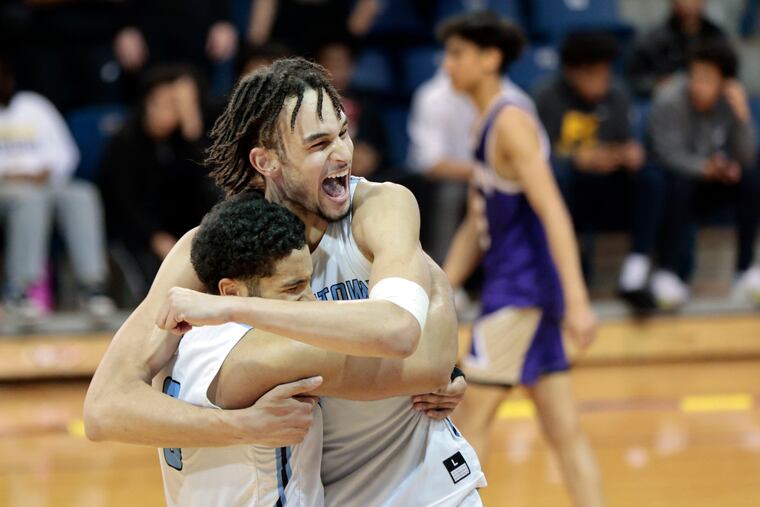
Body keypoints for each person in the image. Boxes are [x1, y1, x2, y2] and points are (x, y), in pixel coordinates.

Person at [84, 58, 475, 505]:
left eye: (344, 132)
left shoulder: (380, 207)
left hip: (421, 485)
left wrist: (235, 309)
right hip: (320, 493)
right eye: (319, 143)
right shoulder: (212, 249)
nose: (344, 153)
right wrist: (240, 427)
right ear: (265, 160)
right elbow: (105, 408)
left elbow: (401, 330)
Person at [157, 192, 483, 506]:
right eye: (294, 288)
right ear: (231, 293)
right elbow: (429, 362)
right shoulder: (276, 355)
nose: (310, 301)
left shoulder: (176, 344)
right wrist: (420, 263)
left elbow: (109, 412)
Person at [438, 12, 606, 507]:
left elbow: (553, 210)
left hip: (521, 295)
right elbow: (477, 218)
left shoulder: (510, 121)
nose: (448, 65)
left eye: (458, 54)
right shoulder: (484, 120)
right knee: (564, 431)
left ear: (490, 59)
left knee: (467, 425)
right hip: (522, 292)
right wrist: (443, 282)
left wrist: (578, 301)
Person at [534, 31, 662, 309]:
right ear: (572, 72)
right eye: (594, 73)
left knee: (650, 177)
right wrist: (575, 159)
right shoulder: (545, 97)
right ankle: (561, 269)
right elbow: (535, 157)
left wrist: (629, 154)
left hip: (609, 188)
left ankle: (636, 270)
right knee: (558, 177)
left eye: (606, 72)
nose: (603, 80)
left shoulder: (618, 93)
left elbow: (627, 142)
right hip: (567, 191)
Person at [0, 51, 114, 321]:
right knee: (28, 200)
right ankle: (20, 291)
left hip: (46, 182)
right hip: (7, 188)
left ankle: (91, 287)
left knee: (81, 194)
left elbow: (66, 153)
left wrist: (47, 170)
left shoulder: (34, 106)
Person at [647, 40, 759, 307]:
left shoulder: (731, 103)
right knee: (675, 182)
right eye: (694, 76)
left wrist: (743, 115)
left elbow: (746, 157)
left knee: (751, 179)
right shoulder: (669, 99)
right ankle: (669, 272)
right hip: (678, 181)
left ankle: (745, 270)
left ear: (725, 83)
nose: (698, 86)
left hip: (714, 180)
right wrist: (703, 168)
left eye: (707, 80)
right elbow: (666, 154)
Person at [99, 66, 221, 293]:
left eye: (177, 106)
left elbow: (203, 191)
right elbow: (124, 204)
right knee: (159, 281)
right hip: (136, 235)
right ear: (147, 103)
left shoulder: (182, 143)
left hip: (180, 233)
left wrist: (191, 132)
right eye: (163, 104)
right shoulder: (124, 143)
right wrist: (154, 237)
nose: (169, 112)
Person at [316, 39, 389, 180]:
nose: (336, 68)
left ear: (352, 66)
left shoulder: (368, 101)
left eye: (342, 62)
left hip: (365, 171)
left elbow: (381, 148)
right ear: (319, 66)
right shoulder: (308, 103)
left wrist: (370, 156)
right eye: (331, 62)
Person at [627, 0, 728, 98]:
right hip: (666, 102)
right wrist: (658, 83)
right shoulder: (652, 39)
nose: (688, 3)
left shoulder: (716, 37)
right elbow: (635, 80)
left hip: (709, 101)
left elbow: (729, 77)